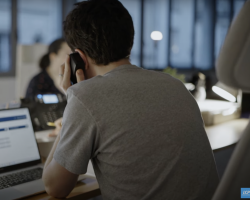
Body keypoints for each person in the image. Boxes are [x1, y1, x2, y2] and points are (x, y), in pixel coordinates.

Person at [42, 0, 219, 199]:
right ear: (129, 41)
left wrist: (73, 103)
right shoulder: (175, 86)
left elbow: (55, 187)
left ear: (78, 58)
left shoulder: (86, 97)